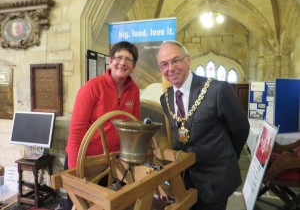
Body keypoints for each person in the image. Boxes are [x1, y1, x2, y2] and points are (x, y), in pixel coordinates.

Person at [157, 40, 250, 210]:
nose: (170, 68)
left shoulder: (217, 90)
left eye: (175, 60)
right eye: (164, 64)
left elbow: (241, 129)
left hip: (215, 180)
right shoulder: (166, 99)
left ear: (188, 60)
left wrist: (225, 157)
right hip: (184, 182)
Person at [65, 41, 141, 210]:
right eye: (118, 57)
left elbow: (134, 128)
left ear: (133, 66)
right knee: (79, 206)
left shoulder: (134, 90)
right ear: (110, 61)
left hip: (111, 163)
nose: (122, 63)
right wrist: (75, 170)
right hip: (84, 160)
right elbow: (77, 129)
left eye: (128, 59)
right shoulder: (93, 86)